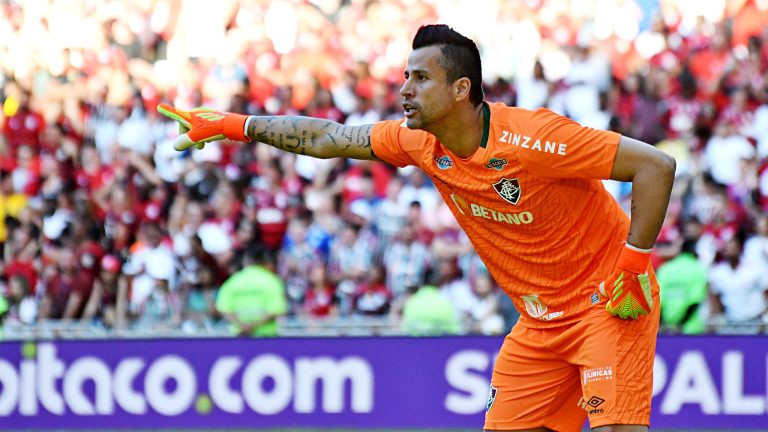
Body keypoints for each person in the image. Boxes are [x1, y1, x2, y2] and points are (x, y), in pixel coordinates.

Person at [158, 24, 676, 432]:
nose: (404, 89)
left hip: (610, 300)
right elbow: (330, 137)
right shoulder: (418, 143)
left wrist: (633, 264)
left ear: (461, 89)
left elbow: (655, 166)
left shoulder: (534, 137)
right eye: (405, 77)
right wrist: (231, 125)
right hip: (540, 323)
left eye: (420, 79)